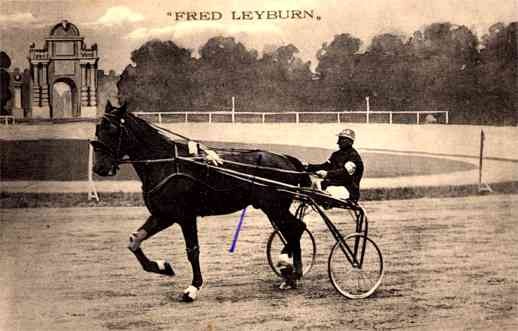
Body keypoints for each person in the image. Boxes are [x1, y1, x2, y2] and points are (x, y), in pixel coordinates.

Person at [305, 128, 364, 202]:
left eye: (341, 140)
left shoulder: (354, 156)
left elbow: (345, 173)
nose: (338, 142)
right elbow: (325, 166)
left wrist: (327, 174)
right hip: (334, 186)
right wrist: (308, 167)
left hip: (348, 190)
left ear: (349, 142)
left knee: (322, 189)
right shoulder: (336, 154)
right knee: (313, 186)